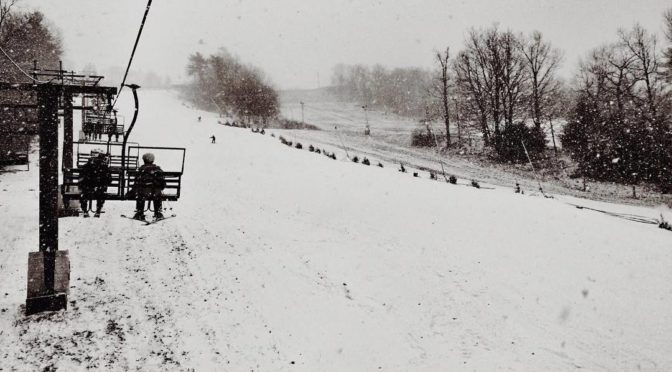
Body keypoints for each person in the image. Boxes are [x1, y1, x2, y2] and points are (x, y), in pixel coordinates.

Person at [131, 153, 166, 221]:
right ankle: (158, 213)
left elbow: (136, 181)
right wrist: (160, 187)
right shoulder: (158, 169)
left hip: (144, 192)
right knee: (157, 194)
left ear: (144, 160)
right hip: (156, 192)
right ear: (153, 160)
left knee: (140, 194)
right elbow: (162, 182)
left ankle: (140, 213)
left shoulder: (141, 169)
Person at [79, 150, 111, 218]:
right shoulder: (104, 167)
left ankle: (86, 211)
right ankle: (97, 210)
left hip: (90, 187)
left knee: (85, 194)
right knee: (100, 193)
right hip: (96, 187)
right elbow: (109, 179)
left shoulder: (87, 166)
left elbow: (81, 178)